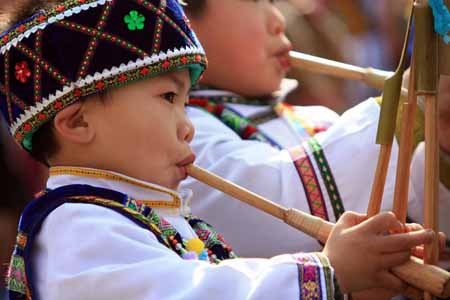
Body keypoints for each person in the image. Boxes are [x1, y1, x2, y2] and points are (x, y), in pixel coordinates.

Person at [1, 0, 436, 299]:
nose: (188, 127)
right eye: (168, 99)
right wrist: (328, 272)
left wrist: (351, 286)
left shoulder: (148, 215)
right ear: (77, 122)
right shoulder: (76, 226)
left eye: (186, 101)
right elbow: (199, 293)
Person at [180, 0, 450, 257]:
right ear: (183, 19)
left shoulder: (317, 119)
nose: (278, 21)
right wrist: (411, 101)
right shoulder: (183, 134)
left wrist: (441, 140)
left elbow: (413, 207)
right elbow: (276, 202)